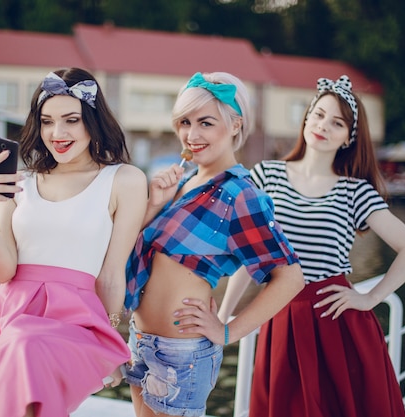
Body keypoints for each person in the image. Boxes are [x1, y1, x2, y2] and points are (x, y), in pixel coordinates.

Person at [218, 75, 405, 417]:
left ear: (348, 138)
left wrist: (369, 297)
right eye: (318, 114)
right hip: (280, 310)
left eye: (337, 122)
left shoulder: (355, 192)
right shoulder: (266, 176)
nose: (323, 126)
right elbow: (250, 254)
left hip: (336, 316)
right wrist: (224, 316)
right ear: (305, 117)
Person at [0, 68, 148, 417]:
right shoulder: (20, 181)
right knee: (21, 350)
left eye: (71, 120)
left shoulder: (124, 180)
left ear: (92, 121)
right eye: (47, 121)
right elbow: (3, 271)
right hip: (8, 316)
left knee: (26, 347)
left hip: (72, 322)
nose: (57, 133)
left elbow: (112, 275)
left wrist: (110, 337)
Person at [123, 71, 305, 417]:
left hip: (181, 353)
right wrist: (153, 205)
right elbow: (138, 253)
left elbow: (290, 277)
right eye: (185, 122)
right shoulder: (184, 184)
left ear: (236, 125)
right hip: (142, 340)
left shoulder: (240, 194)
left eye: (206, 123)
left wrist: (227, 330)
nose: (191, 135)